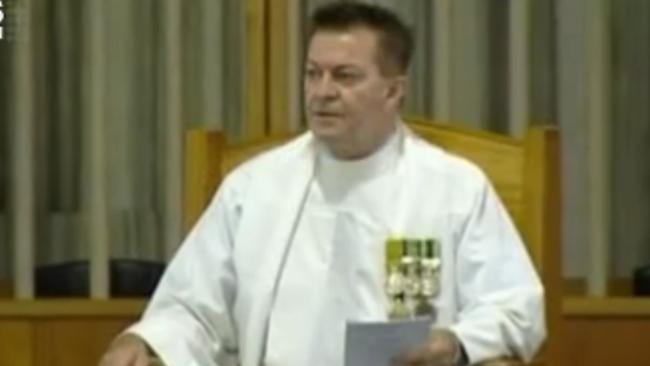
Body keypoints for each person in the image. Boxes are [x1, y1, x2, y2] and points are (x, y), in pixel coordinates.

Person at [100, 2, 545, 366]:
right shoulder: (255, 187)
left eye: (344, 76)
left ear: (394, 91)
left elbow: (514, 306)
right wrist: (145, 342)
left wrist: (457, 343)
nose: (321, 91)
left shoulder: (453, 189)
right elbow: (193, 308)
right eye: (313, 73)